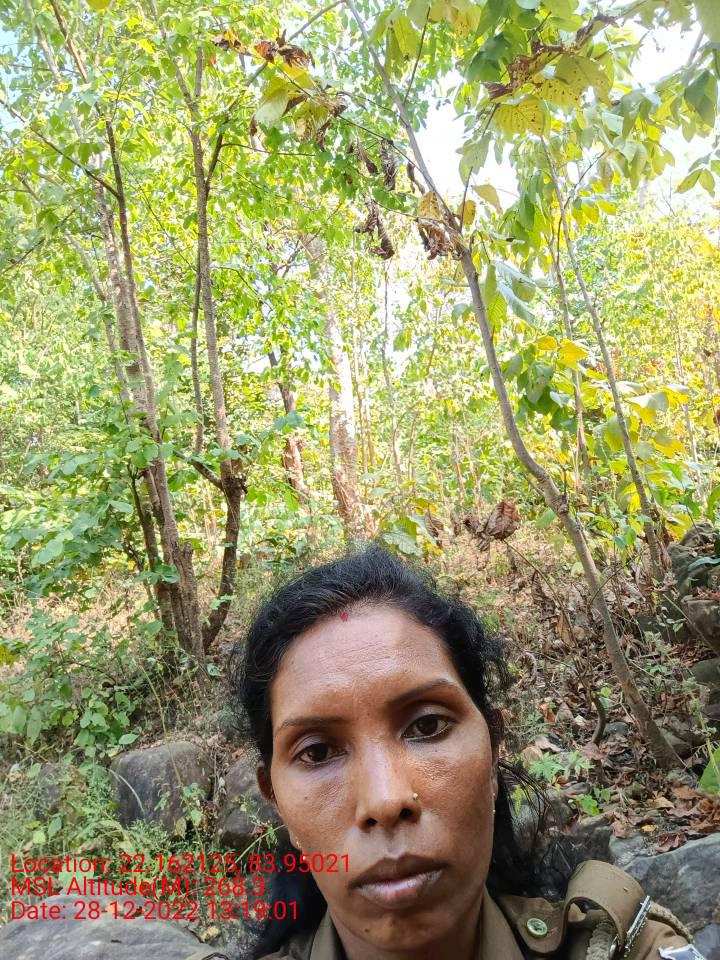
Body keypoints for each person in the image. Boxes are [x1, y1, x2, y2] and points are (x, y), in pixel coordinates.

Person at [224, 543, 703, 960]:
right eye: (317, 752)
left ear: (493, 749)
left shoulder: (626, 946)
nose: (385, 801)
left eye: (427, 725)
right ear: (277, 800)